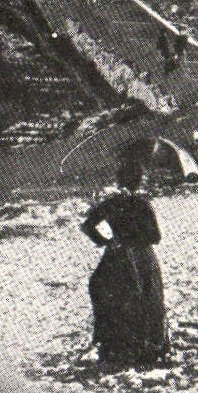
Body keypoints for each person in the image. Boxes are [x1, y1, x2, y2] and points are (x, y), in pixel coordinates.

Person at [82, 141, 168, 367]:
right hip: (141, 258)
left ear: (119, 180)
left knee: (106, 293)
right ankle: (149, 347)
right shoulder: (142, 205)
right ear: (139, 180)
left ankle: (110, 343)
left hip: (117, 255)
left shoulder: (111, 203)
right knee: (149, 299)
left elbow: (87, 225)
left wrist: (107, 241)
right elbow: (155, 237)